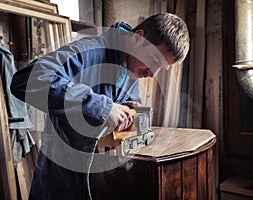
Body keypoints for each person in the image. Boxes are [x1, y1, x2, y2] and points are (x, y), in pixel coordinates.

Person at [10, 13, 189, 200]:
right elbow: (26, 80)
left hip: (100, 182)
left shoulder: (131, 64)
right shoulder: (87, 51)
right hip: (61, 183)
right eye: (154, 60)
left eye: (161, 67)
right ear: (138, 38)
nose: (153, 74)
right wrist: (102, 107)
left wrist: (127, 109)